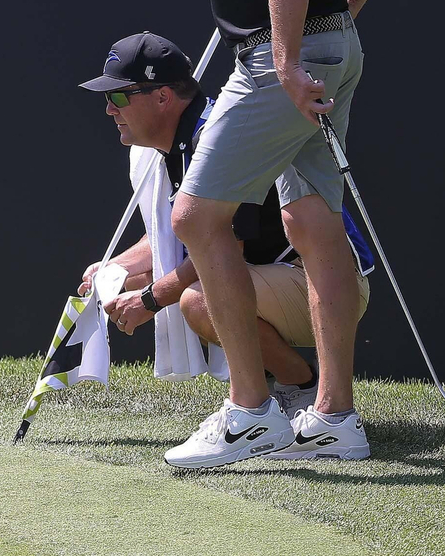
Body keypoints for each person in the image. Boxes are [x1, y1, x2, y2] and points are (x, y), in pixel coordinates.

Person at [154, 0, 407, 467]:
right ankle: (333, 418)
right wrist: (340, 18)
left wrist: (290, 58)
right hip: (329, 47)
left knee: (197, 217)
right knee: (313, 222)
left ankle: (250, 410)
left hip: (277, 61)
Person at [77, 33, 375, 421]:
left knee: (199, 299)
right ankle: (268, 392)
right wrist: (117, 270)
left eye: (118, 97)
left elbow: (223, 252)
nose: (109, 110)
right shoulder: (183, 141)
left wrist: (150, 299)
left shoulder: (207, 139)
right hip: (284, 276)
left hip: (327, 281)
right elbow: (178, 239)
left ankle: (298, 386)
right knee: (164, 286)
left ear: (163, 97)